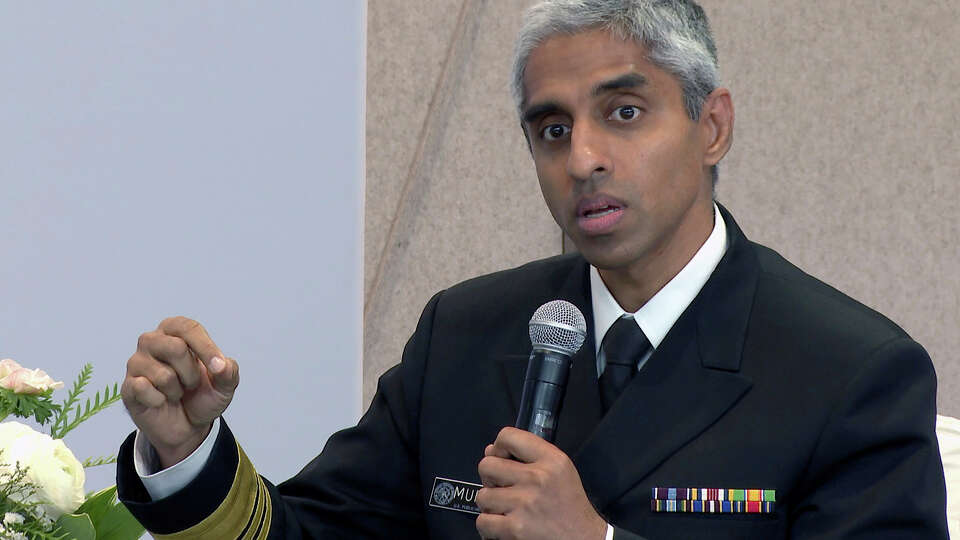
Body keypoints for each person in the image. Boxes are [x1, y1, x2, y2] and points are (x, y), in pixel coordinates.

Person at [117, 1, 948, 538]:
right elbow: (309, 534)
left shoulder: (851, 373)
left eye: (624, 113)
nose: (582, 157)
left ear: (713, 126)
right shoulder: (466, 335)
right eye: (551, 130)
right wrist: (190, 449)